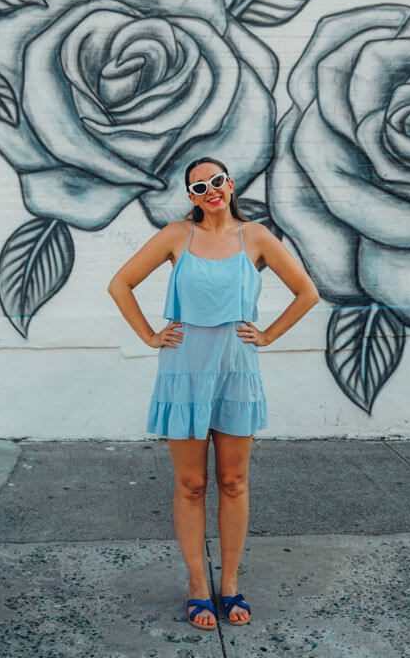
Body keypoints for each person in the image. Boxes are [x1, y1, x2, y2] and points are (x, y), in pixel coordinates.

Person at [108, 156, 319, 630]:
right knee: (191, 484)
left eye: (216, 182)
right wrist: (149, 335)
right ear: (191, 197)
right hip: (184, 369)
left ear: (231, 184)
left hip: (235, 370)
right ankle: (197, 586)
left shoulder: (257, 238)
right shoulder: (174, 237)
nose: (210, 191)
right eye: (199, 187)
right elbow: (119, 284)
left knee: (233, 481)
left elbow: (307, 292)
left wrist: (266, 336)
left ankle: (229, 584)